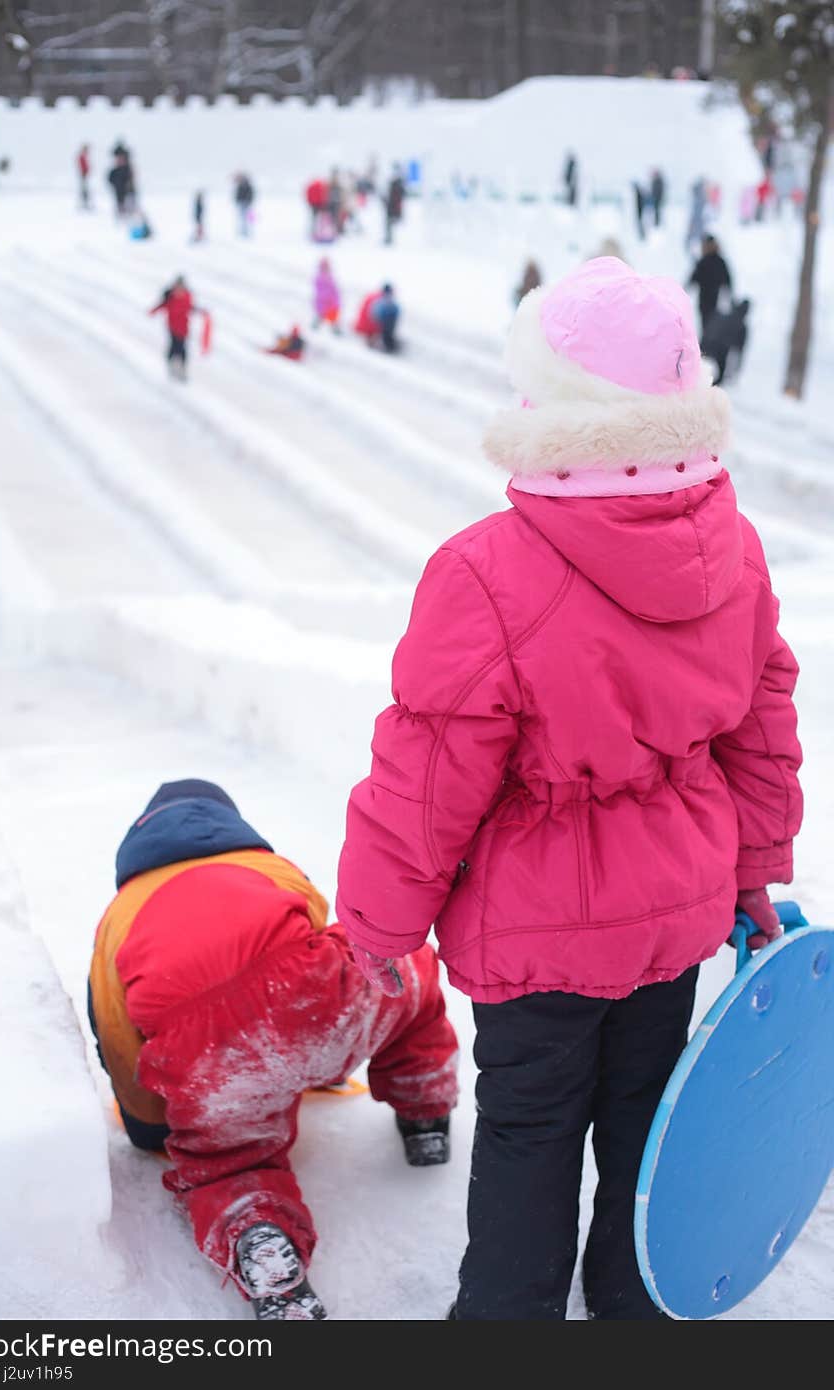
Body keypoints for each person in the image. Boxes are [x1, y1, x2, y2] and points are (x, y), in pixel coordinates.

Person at [336, 257, 802, 1321]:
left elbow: (429, 770)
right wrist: (753, 865)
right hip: (673, 912)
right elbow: (761, 720)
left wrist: (377, 921)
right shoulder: (727, 546)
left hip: (536, 941)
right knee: (646, 1118)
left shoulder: (487, 570)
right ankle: (632, 1299)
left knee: (529, 1133)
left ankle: (508, 1313)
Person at [88, 779, 458, 1320]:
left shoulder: (118, 917)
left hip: (210, 1055)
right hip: (309, 998)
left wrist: (152, 1126)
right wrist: (321, 1055)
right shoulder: (271, 867)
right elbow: (328, 937)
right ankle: (426, 1114)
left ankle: (258, 1238)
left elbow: (117, 1036)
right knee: (408, 977)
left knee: (228, 1162)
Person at [148, 276, 206, 380]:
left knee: (182, 348)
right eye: (177, 286)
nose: (179, 289)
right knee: (174, 346)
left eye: (181, 286)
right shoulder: (170, 297)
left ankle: (182, 368)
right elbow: (161, 305)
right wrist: (153, 311)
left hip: (184, 328)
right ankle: (171, 365)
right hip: (172, 327)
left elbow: (191, 307)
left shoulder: (188, 296)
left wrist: (202, 312)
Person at [687, 234, 733, 338]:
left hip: (708, 301)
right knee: (711, 325)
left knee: (708, 325)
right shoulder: (718, 262)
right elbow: (728, 282)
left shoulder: (704, 262)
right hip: (711, 301)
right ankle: (708, 344)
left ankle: (707, 345)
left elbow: (692, 280)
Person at [701, 298, 751, 385]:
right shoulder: (742, 326)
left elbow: (707, 330)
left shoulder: (720, 315)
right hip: (719, 353)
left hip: (704, 347)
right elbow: (739, 351)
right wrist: (737, 369)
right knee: (716, 380)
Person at [312, 258, 342, 332]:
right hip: (324, 302)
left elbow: (335, 290)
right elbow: (320, 291)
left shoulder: (330, 277)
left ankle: (335, 329)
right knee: (321, 315)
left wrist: (336, 300)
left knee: (332, 318)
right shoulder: (320, 278)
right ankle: (315, 327)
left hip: (332, 303)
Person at [383, 166, 406, 245]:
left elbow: (399, 196)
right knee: (388, 223)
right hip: (391, 206)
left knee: (390, 223)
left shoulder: (398, 183)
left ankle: (389, 238)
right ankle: (389, 238)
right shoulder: (396, 183)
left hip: (393, 206)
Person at [108, 151, 133, 219]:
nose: (120, 161)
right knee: (119, 203)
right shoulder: (114, 170)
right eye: (119, 159)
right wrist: (114, 184)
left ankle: (127, 215)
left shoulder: (127, 169)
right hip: (118, 190)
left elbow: (130, 179)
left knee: (128, 204)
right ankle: (120, 216)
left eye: (121, 159)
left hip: (127, 191)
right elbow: (110, 179)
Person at [685, 177, 707, 253]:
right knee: (695, 234)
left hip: (698, 219)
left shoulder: (699, 196)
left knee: (695, 234)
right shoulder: (700, 197)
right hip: (697, 219)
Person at [234, 171, 254, 236]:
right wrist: (237, 201)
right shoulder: (240, 186)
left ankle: (247, 232)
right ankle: (242, 231)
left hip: (247, 204)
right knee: (241, 218)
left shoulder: (248, 186)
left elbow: (251, 195)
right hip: (241, 204)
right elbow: (237, 195)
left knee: (248, 219)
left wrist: (249, 201)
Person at [77, 144, 91, 209]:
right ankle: (84, 203)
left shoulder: (84, 156)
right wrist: (85, 172)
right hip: (83, 174)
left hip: (85, 174)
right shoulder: (82, 156)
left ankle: (85, 203)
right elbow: (83, 166)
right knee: (84, 189)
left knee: (85, 189)